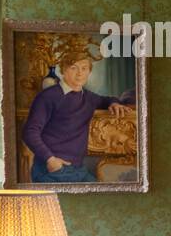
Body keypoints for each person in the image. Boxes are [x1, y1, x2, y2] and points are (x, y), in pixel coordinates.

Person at [23, 51, 134, 183]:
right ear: (63, 70)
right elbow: (29, 132)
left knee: (102, 195)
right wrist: (50, 160)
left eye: (84, 68)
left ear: (89, 72)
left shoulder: (88, 97)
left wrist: (114, 103)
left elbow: (107, 99)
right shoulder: (47, 96)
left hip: (78, 169)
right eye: (73, 68)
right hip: (51, 169)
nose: (80, 73)